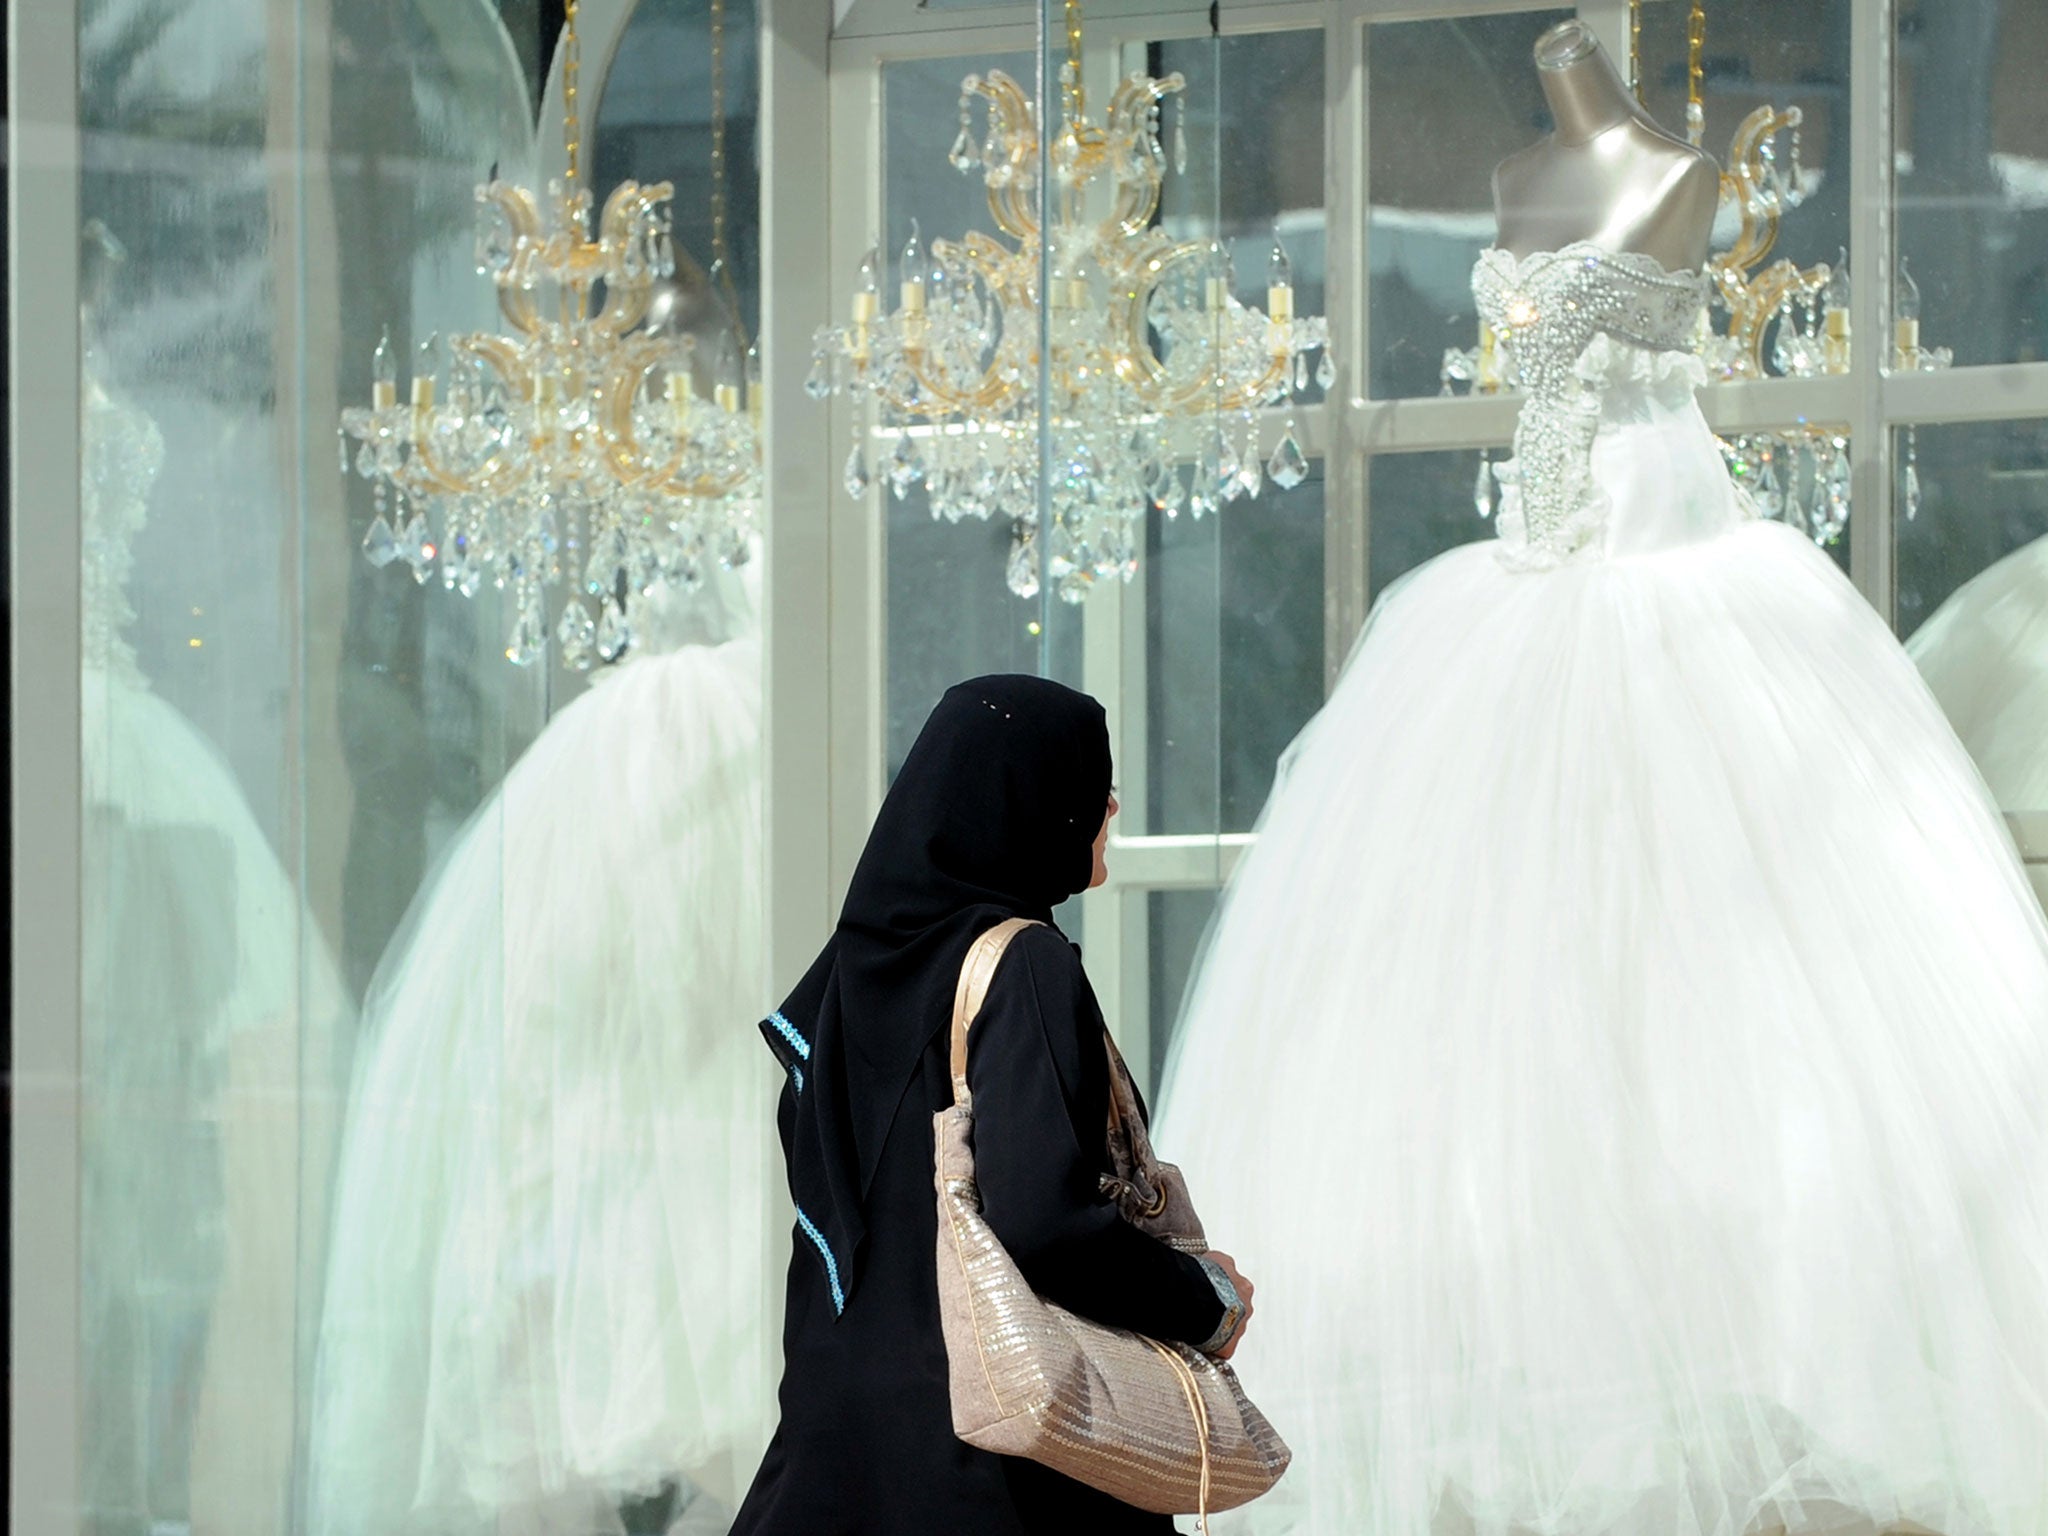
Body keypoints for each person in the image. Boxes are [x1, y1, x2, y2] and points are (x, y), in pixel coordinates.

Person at [1157, 21, 2048, 1536]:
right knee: (1501, 992)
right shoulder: (1516, 170)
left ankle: (1754, 1369)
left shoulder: (1681, 167)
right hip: (1524, 572)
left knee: (1719, 978)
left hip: (1677, 556)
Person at [733, 674, 1253, 1535]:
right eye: (1093, 784)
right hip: (994, 1459)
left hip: (840, 1451)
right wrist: (1203, 1300)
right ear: (1034, 799)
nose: (1111, 807)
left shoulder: (846, 976)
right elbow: (1042, 1220)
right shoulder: (1025, 965)